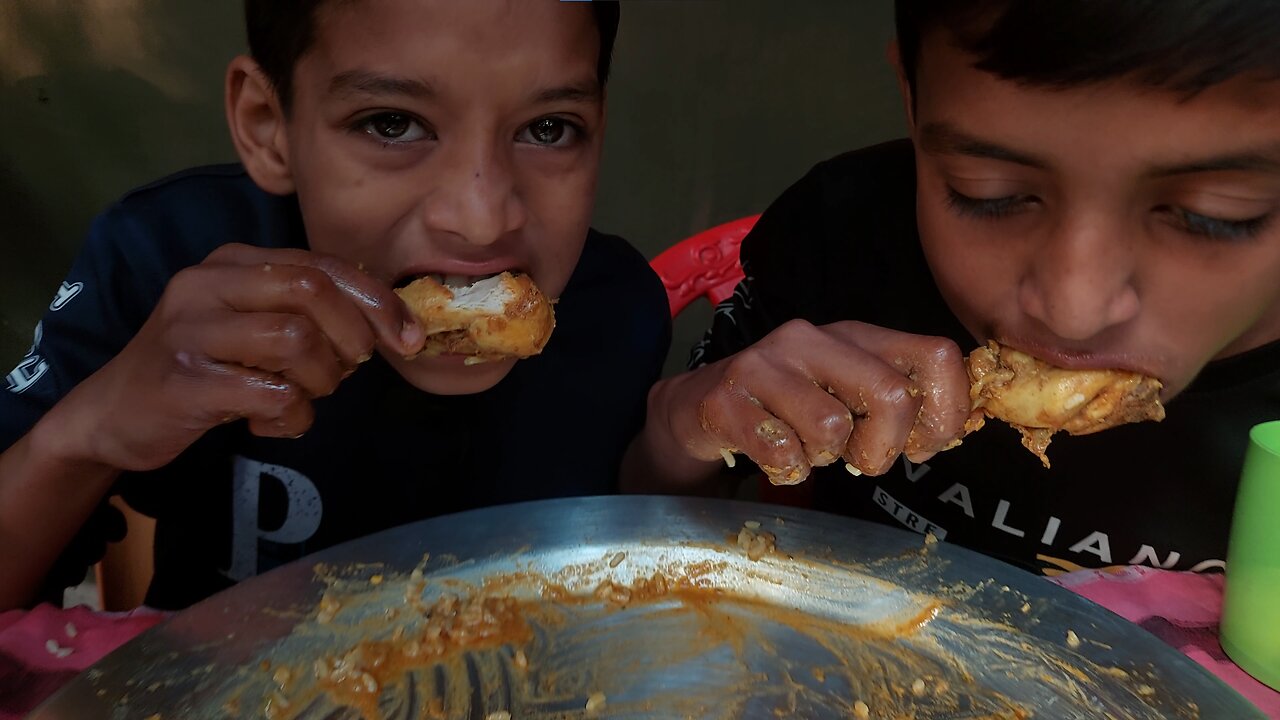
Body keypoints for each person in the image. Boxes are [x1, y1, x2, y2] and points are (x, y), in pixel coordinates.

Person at [0, 0, 669, 611]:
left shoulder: (620, 315)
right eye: (392, 123)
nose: (481, 219)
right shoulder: (166, 267)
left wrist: (677, 448)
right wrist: (85, 437)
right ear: (269, 127)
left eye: (550, 128)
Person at [624, 0, 1280, 577]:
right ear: (912, 102)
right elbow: (638, 527)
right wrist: (676, 432)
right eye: (987, 194)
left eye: (1212, 213)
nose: (1072, 311)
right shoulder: (840, 241)